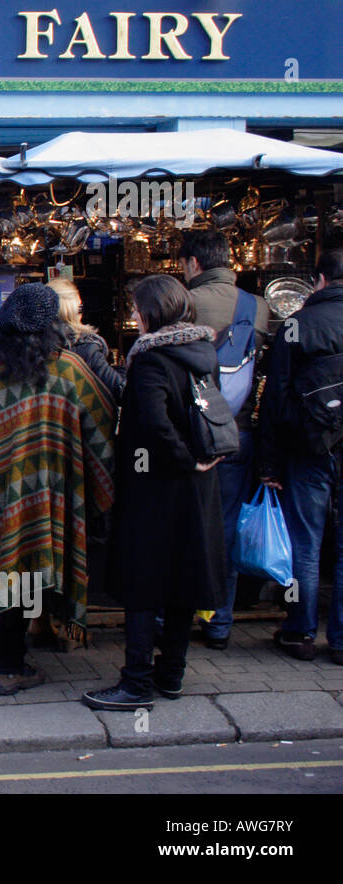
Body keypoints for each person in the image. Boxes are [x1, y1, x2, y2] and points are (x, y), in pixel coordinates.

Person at [0, 282, 115, 695]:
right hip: (35, 493)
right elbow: (102, 419)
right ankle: (7, 667)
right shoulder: (67, 368)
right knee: (20, 567)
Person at [83, 275, 227, 711]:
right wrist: (197, 463)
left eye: (135, 309)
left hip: (156, 488)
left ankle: (136, 683)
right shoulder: (203, 350)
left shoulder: (150, 360)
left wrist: (183, 459)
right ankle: (172, 675)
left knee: (144, 585)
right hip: (197, 488)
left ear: (151, 313)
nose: (132, 317)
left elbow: (153, 423)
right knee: (184, 579)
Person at [179, 230, 270, 649]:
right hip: (238, 431)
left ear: (194, 264)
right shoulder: (259, 307)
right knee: (227, 526)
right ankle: (220, 622)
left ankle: (174, 616)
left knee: (184, 525)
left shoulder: (184, 304)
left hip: (190, 434)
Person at [258, 247, 343, 664]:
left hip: (308, 447)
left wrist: (269, 462)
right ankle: (341, 641)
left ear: (320, 281)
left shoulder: (297, 326)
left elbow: (275, 398)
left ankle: (300, 632)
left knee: (304, 544)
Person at [48, 277, 124, 401]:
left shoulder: (30, 346)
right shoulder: (87, 348)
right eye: (80, 307)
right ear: (73, 311)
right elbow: (118, 389)